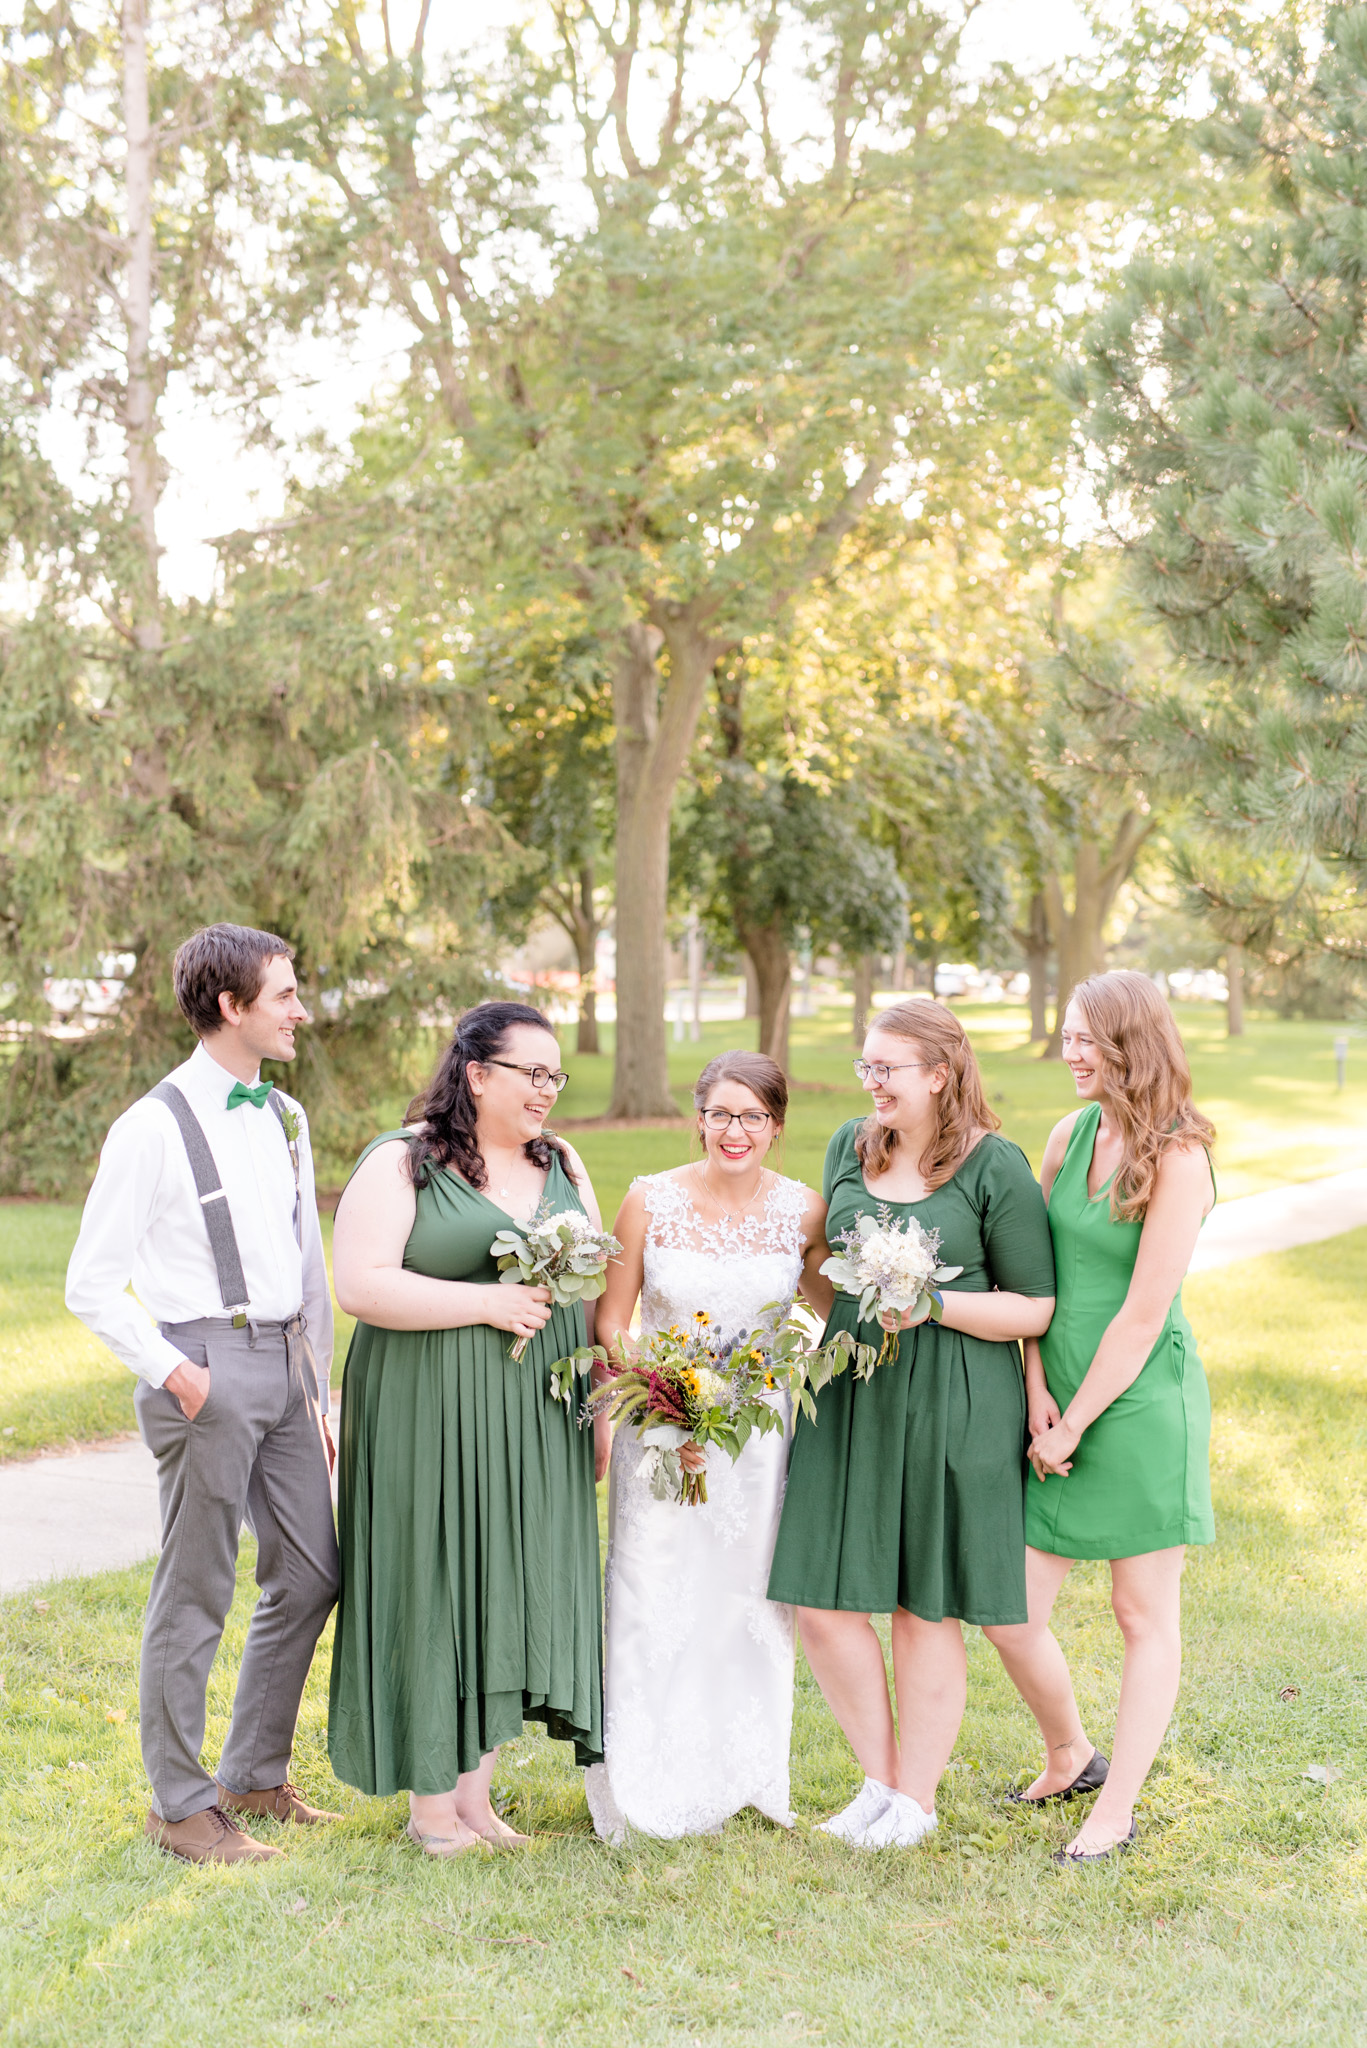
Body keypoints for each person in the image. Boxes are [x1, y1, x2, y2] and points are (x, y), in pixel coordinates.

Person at [66, 923, 339, 1864]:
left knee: (312, 1572)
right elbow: (90, 1281)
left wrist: (323, 1393)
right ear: (232, 1007)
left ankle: (253, 1776)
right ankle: (181, 1806)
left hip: (288, 1366)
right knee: (196, 1590)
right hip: (202, 1366)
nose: (302, 1010)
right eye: (285, 995)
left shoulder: (286, 1116)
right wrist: (177, 1372)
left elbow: (308, 1262)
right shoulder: (150, 1128)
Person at [767, 1000, 1056, 1850]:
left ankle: (916, 1803)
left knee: (921, 1608)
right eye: (866, 1066)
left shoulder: (993, 1167)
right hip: (852, 1388)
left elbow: (1033, 1306)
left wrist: (928, 1303)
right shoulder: (850, 1145)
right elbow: (822, 1269)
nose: (870, 1081)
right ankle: (878, 1783)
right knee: (820, 1602)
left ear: (938, 1072)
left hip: (953, 1397)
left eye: (885, 1067)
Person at [327, 1001, 604, 1857]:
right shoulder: (402, 1161)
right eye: (532, 1073)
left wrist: (596, 1409)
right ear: (476, 1072)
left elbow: (590, 1286)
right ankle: (431, 1810)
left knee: (503, 1586)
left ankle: (478, 1804)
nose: (546, 1091)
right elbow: (361, 1286)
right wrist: (485, 1303)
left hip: (535, 1414)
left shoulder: (560, 1159)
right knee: (436, 1580)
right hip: (427, 1410)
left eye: (555, 1075)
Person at [988, 971, 1216, 1864]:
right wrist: (1034, 1385)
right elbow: (1032, 1279)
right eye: (1068, 1036)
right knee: (1008, 1610)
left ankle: (1113, 1809)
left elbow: (1141, 1314)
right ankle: (1071, 1753)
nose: (1069, 1052)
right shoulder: (1066, 1133)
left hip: (1139, 1403)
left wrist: (1074, 1423)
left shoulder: (1180, 1155)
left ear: (1131, 1042)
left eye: (1086, 1038)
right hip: (1057, 1397)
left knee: (1139, 1611)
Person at [585, 1051, 832, 1843]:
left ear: (775, 1126)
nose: (735, 1131)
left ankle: (743, 1769)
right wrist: (661, 1394)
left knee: (746, 1599)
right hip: (661, 1432)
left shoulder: (801, 1211)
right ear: (698, 1117)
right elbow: (612, 1319)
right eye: (721, 1114)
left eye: (752, 1116)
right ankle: (641, 1776)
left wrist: (772, 1372)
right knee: (653, 1589)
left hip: (754, 1439)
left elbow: (825, 1313)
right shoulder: (648, 1200)